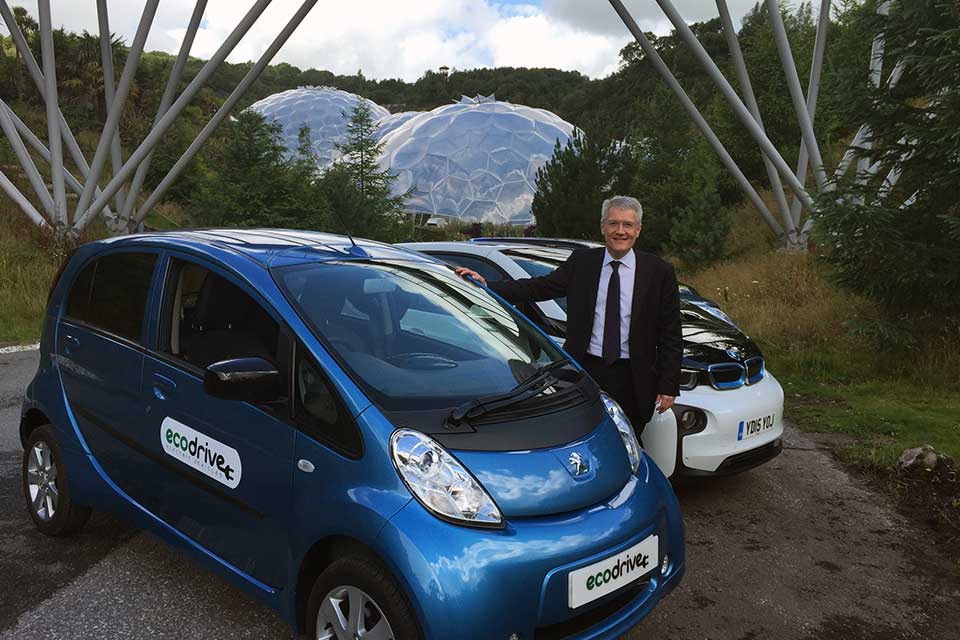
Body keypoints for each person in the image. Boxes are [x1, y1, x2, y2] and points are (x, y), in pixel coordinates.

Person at [455, 196, 682, 434]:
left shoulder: (659, 272)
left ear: (638, 229)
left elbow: (670, 333)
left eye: (627, 224)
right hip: (585, 371)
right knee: (584, 436)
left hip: (634, 378)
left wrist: (669, 385)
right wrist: (487, 286)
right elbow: (538, 287)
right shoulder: (582, 263)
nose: (620, 231)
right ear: (602, 227)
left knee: (628, 438)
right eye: (613, 223)